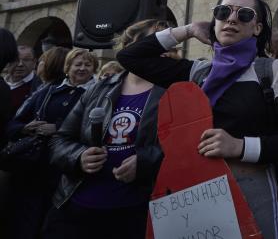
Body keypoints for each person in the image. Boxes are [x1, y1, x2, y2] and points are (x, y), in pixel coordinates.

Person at [116, 0, 278, 237]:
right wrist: (187, 30)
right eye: (223, 12)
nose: (231, 19)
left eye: (245, 14)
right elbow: (130, 56)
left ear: (257, 28)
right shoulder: (197, 73)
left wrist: (240, 146)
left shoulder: (273, 71)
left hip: (253, 193)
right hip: (195, 194)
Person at [44, 20, 168, 239]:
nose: (159, 45)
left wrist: (147, 162)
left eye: (165, 40)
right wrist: (78, 156)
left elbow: (184, 147)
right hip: (76, 208)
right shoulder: (100, 88)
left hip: (134, 214)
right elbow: (60, 140)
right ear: (129, 45)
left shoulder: (172, 91)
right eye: (151, 40)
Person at [7, 48, 97, 239]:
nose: (82, 69)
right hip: (34, 168)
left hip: (67, 173)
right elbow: (13, 124)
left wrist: (57, 129)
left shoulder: (99, 95)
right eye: (77, 64)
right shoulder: (47, 92)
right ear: (67, 68)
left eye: (87, 65)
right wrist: (27, 128)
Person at [5, 45, 42, 113]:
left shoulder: (40, 87)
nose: (20, 64)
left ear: (34, 62)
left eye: (26, 60)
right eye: (15, 60)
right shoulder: (2, 83)